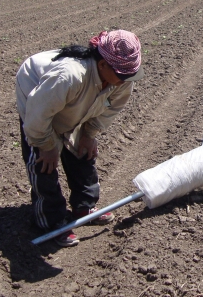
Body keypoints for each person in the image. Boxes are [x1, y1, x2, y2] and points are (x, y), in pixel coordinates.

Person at [16, 30, 144, 246]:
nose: (126, 80)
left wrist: (89, 134)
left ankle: (84, 205)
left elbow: (109, 110)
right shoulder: (69, 77)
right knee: (43, 162)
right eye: (122, 75)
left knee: (82, 149)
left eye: (129, 75)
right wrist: (46, 146)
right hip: (38, 88)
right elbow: (37, 116)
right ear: (102, 64)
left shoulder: (122, 79)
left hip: (70, 96)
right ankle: (50, 219)